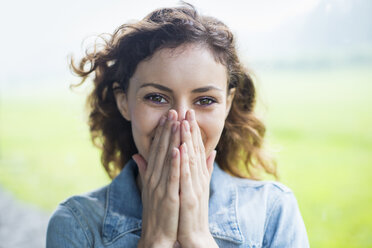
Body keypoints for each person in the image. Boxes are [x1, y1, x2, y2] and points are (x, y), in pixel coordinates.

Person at [46, 3, 309, 247]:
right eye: (156, 98)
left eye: (205, 100)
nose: (181, 121)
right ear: (124, 101)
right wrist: (156, 240)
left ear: (227, 104)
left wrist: (197, 239)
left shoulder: (273, 210)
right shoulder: (76, 224)